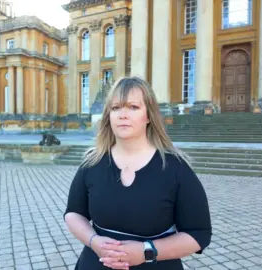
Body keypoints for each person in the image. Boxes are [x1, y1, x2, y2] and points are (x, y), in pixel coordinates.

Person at [63, 76, 212, 270]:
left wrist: (146, 251)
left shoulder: (176, 168)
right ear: (108, 115)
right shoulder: (92, 163)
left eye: (133, 107)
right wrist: (94, 242)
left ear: (148, 116)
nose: (123, 115)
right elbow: (74, 213)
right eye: (116, 108)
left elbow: (198, 234)